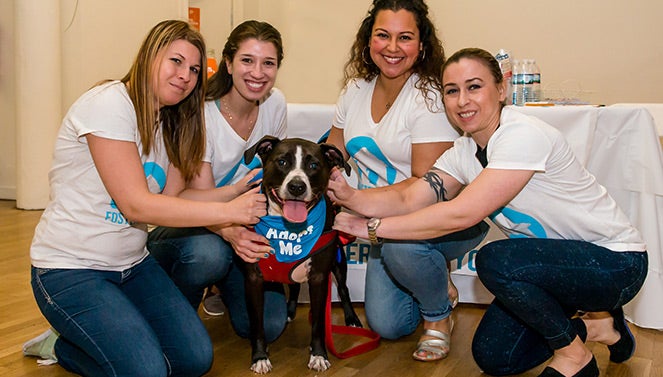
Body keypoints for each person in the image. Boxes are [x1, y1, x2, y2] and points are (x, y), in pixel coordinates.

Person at [327, 47, 648, 377]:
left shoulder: (521, 133)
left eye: (474, 86)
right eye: (452, 91)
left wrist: (373, 228)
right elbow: (411, 197)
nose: (462, 100)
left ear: (501, 89)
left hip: (616, 262)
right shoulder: (463, 151)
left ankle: (573, 356)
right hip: (552, 271)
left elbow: (460, 215)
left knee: (496, 259)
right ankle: (600, 327)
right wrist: (351, 197)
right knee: (495, 356)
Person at [22, 20, 267, 376]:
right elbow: (136, 205)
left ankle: (84, 340)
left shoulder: (170, 121)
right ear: (150, 56)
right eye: (176, 61)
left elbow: (175, 198)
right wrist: (229, 211)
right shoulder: (109, 104)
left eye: (195, 69)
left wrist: (237, 189)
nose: (186, 75)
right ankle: (64, 343)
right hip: (69, 269)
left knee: (194, 359)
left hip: (132, 265)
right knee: (147, 371)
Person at [325, 0, 488, 362]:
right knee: (389, 325)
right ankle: (431, 278)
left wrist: (356, 201)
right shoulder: (355, 89)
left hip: (434, 217)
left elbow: (423, 188)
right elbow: (333, 152)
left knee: (402, 247)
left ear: (422, 45)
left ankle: (437, 318)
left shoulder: (430, 96)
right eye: (383, 35)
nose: (392, 47)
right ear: (368, 40)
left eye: (405, 37)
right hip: (376, 216)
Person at [146, 20, 289, 343]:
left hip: (240, 224)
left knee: (269, 327)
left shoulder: (275, 104)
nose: (258, 73)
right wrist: (231, 230)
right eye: (247, 61)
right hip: (192, 227)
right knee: (209, 253)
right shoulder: (200, 111)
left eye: (269, 63)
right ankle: (173, 317)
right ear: (228, 63)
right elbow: (189, 198)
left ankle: (222, 286)